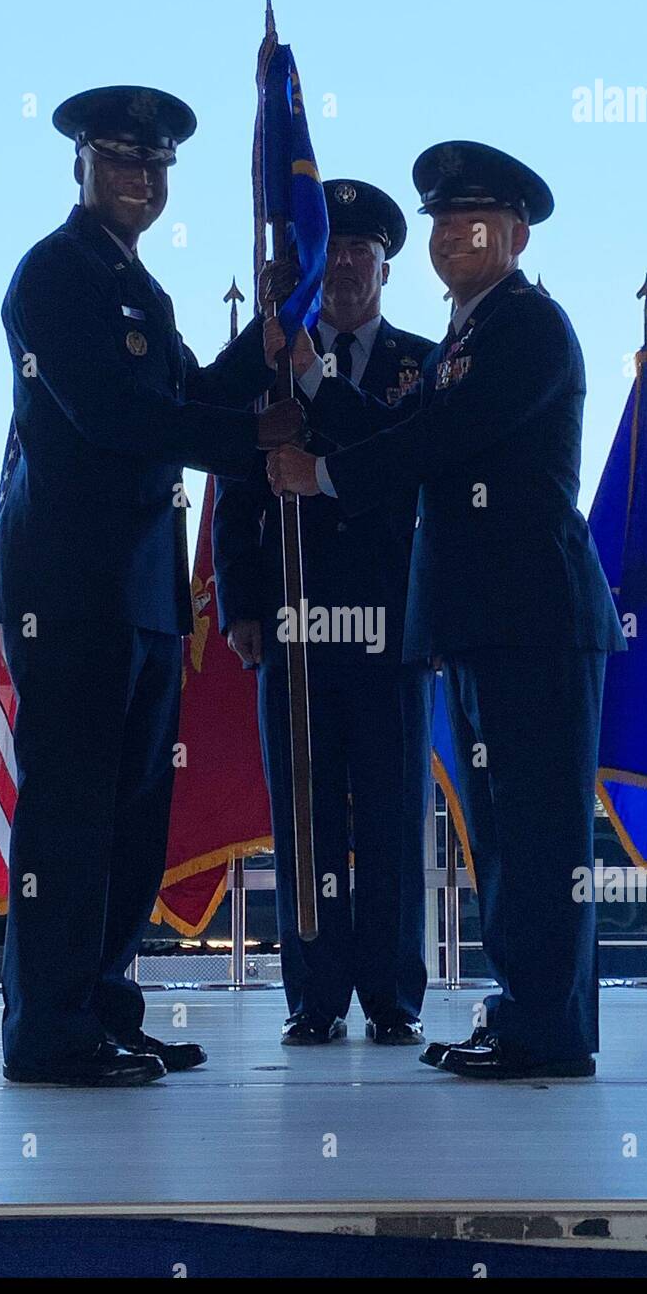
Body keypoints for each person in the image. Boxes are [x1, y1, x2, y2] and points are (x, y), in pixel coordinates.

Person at [265, 141, 627, 1080]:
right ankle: (529, 1015)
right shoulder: (470, 334)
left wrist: (323, 472)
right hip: (480, 623)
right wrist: (309, 381)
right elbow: (399, 426)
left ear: (512, 236)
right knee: (503, 834)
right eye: (441, 221)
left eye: (473, 221)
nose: (452, 235)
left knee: (537, 835)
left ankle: (543, 1028)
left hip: (531, 619)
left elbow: (437, 439)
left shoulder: (526, 326)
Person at [0, 85, 304, 1086]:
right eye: (123, 157)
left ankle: (104, 1008)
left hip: (143, 598)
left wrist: (262, 344)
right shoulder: (53, 276)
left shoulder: (140, 289)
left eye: (158, 164)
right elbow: (121, 420)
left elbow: (185, 398)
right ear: (78, 164)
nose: (143, 176)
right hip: (71, 592)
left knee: (129, 822)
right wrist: (258, 439)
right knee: (70, 816)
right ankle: (48, 1031)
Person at [214, 180, 435, 1045]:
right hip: (292, 625)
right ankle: (312, 996)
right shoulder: (272, 361)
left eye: (359, 253)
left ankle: (390, 996)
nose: (343, 266)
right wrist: (240, 601)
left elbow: (406, 464)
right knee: (302, 817)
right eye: (329, 252)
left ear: (385, 266)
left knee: (389, 815)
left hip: (388, 626)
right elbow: (234, 485)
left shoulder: (424, 364)